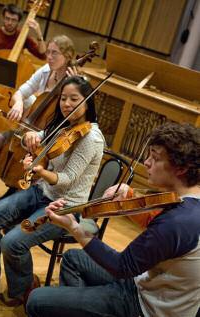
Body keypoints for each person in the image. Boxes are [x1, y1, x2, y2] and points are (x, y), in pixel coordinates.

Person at [26, 122, 200, 317]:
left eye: (156, 158)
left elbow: (122, 266)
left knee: (36, 300)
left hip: (144, 307)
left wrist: (74, 227)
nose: (147, 162)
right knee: (73, 259)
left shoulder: (176, 222)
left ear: (181, 168)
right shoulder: (189, 205)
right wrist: (130, 194)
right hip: (147, 283)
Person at [0, 75, 105, 305]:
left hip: (66, 206)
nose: (67, 104)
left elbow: (67, 180)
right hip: (40, 193)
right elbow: (31, 141)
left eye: (74, 99)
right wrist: (29, 138)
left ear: (87, 102)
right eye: (63, 98)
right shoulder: (61, 126)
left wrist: (39, 171)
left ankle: (23, 289)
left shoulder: (91, 138)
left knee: (12, 243)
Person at [0, 34, 76, 200]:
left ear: (67, 56)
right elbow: (22, 91)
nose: (49, 57)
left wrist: (71, 89)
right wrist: (18, 103)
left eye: (54, 53)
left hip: (47, 140)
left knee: (29, 163)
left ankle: (17, 192)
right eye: (48, 52)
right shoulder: (45, 71)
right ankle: (13, 185)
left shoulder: (76, 83)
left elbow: (72, 118)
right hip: (26, 130)